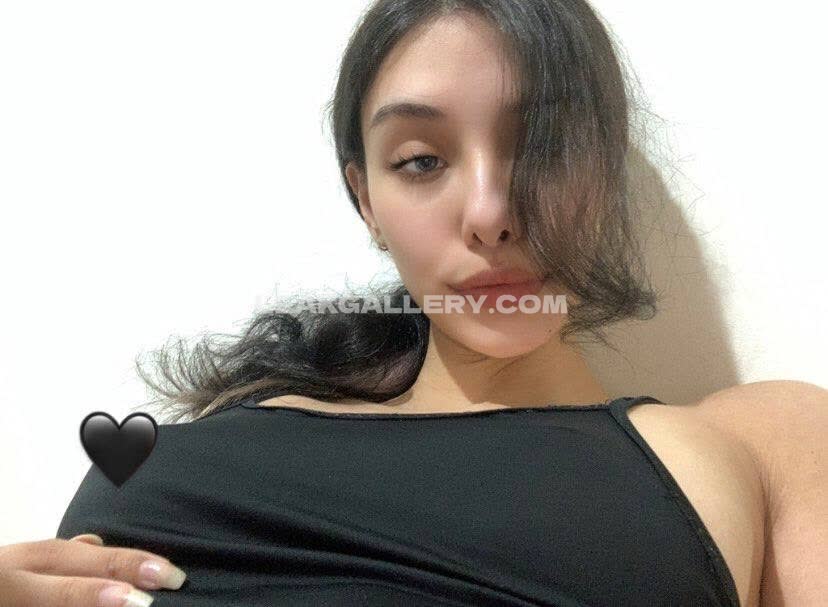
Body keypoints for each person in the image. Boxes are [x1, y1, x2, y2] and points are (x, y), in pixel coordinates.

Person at [2, 1, 826, 605]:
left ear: (604, 173)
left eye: (544, 146)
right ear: (366, 199)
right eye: (423, 160)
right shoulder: (180, 461)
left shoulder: (754, 441)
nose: (491, 213)